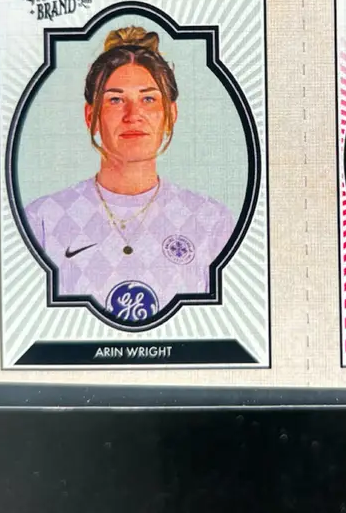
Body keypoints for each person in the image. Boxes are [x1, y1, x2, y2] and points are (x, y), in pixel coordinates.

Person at [24, 25, 235, 323]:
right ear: (91, 115)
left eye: (148, 99)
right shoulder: (43, 220)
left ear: (170, 115)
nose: (133, 115)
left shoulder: (211, 221)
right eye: (115, 100)